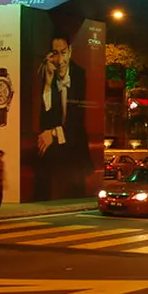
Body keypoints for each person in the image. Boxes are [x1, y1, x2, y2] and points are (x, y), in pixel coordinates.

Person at [36, 34, 90, 200]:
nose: (60, 60)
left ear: (70, 52)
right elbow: (45, 118)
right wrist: (47, 83)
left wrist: (53, 133)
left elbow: (79, 120)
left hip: (75, 139)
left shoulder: (80, 75)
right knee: (43, 156)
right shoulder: (45, 76)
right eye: (55, 54)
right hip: (56, 142)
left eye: (63, 53)